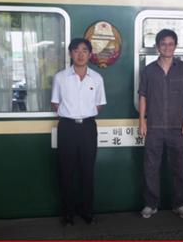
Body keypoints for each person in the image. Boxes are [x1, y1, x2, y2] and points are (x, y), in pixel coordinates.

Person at [138, 29, 183, 219]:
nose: (167, 47)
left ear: (175, 46)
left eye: (171, 43)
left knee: (179, 168)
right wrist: (142, 121)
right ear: (157, 47)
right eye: (163, 43)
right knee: (151, 168)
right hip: (153, 127)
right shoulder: (148, 70)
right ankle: (150, 204)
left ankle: (180, 204)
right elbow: (143, 97)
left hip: (176, 127)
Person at [51, 38, 106, 226]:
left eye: (84, 50)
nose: (80, 54)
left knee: (87, 171)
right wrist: (72, 114)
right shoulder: (60, 77)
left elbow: (99, 105)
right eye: (76, 50)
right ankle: (68, 212)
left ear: (90, 54)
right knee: (66, 171)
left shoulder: (97, 78)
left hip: (88, 128)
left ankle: (87, 211)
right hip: (67, 127)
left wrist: (84, 114)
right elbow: (55, 103)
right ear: (70, 54)